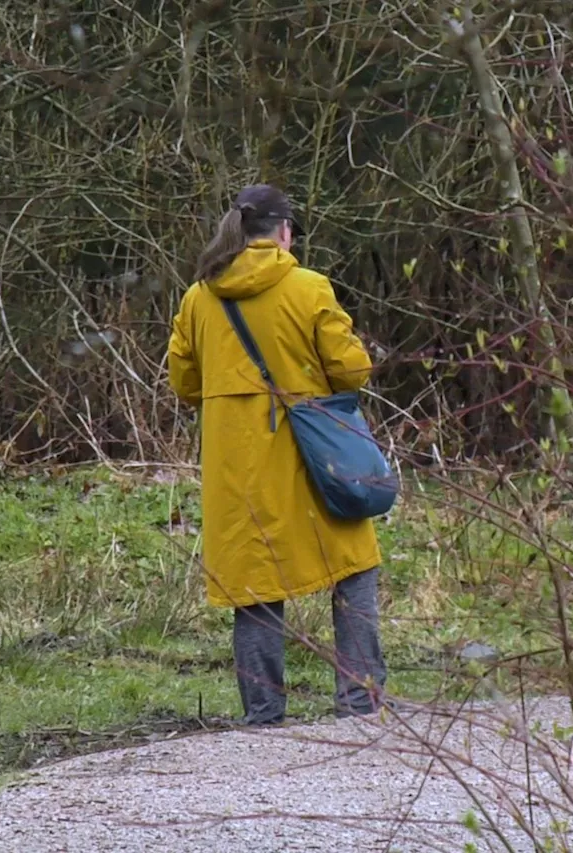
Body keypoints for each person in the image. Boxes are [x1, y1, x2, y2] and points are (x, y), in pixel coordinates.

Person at [167, 184, 388, 726]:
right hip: (312, 456)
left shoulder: (199, 297)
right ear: (285, 232)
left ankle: (263, 715)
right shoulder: (309, 287)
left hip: (237, 465)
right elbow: (351, 370)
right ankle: (358, 704)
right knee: (353, 567)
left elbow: (183, 382)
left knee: (255, 583)